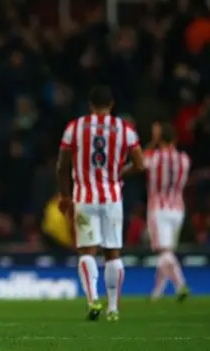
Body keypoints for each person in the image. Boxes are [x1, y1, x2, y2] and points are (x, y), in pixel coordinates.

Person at [56, 86, 144, 321]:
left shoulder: (75, 128)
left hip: (84, 197)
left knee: (86, 251)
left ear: (90, 105)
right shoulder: (125, 129)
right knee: (113, 253)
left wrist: (65, 196)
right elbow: (141, 164)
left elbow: (62, 166)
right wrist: (119, 173)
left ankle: (93, 299)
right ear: (112, 103)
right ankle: (113, 308)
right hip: (112, 198)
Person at [145, 123, 191, 301]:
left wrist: (153, 142)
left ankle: (181, 285)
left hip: (158, 208)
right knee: (168, 251)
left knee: (164, 252)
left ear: (160, 139)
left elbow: (139, 160)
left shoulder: (155, 158)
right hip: (178, 209)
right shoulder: (184, 159)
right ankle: (158, 291)